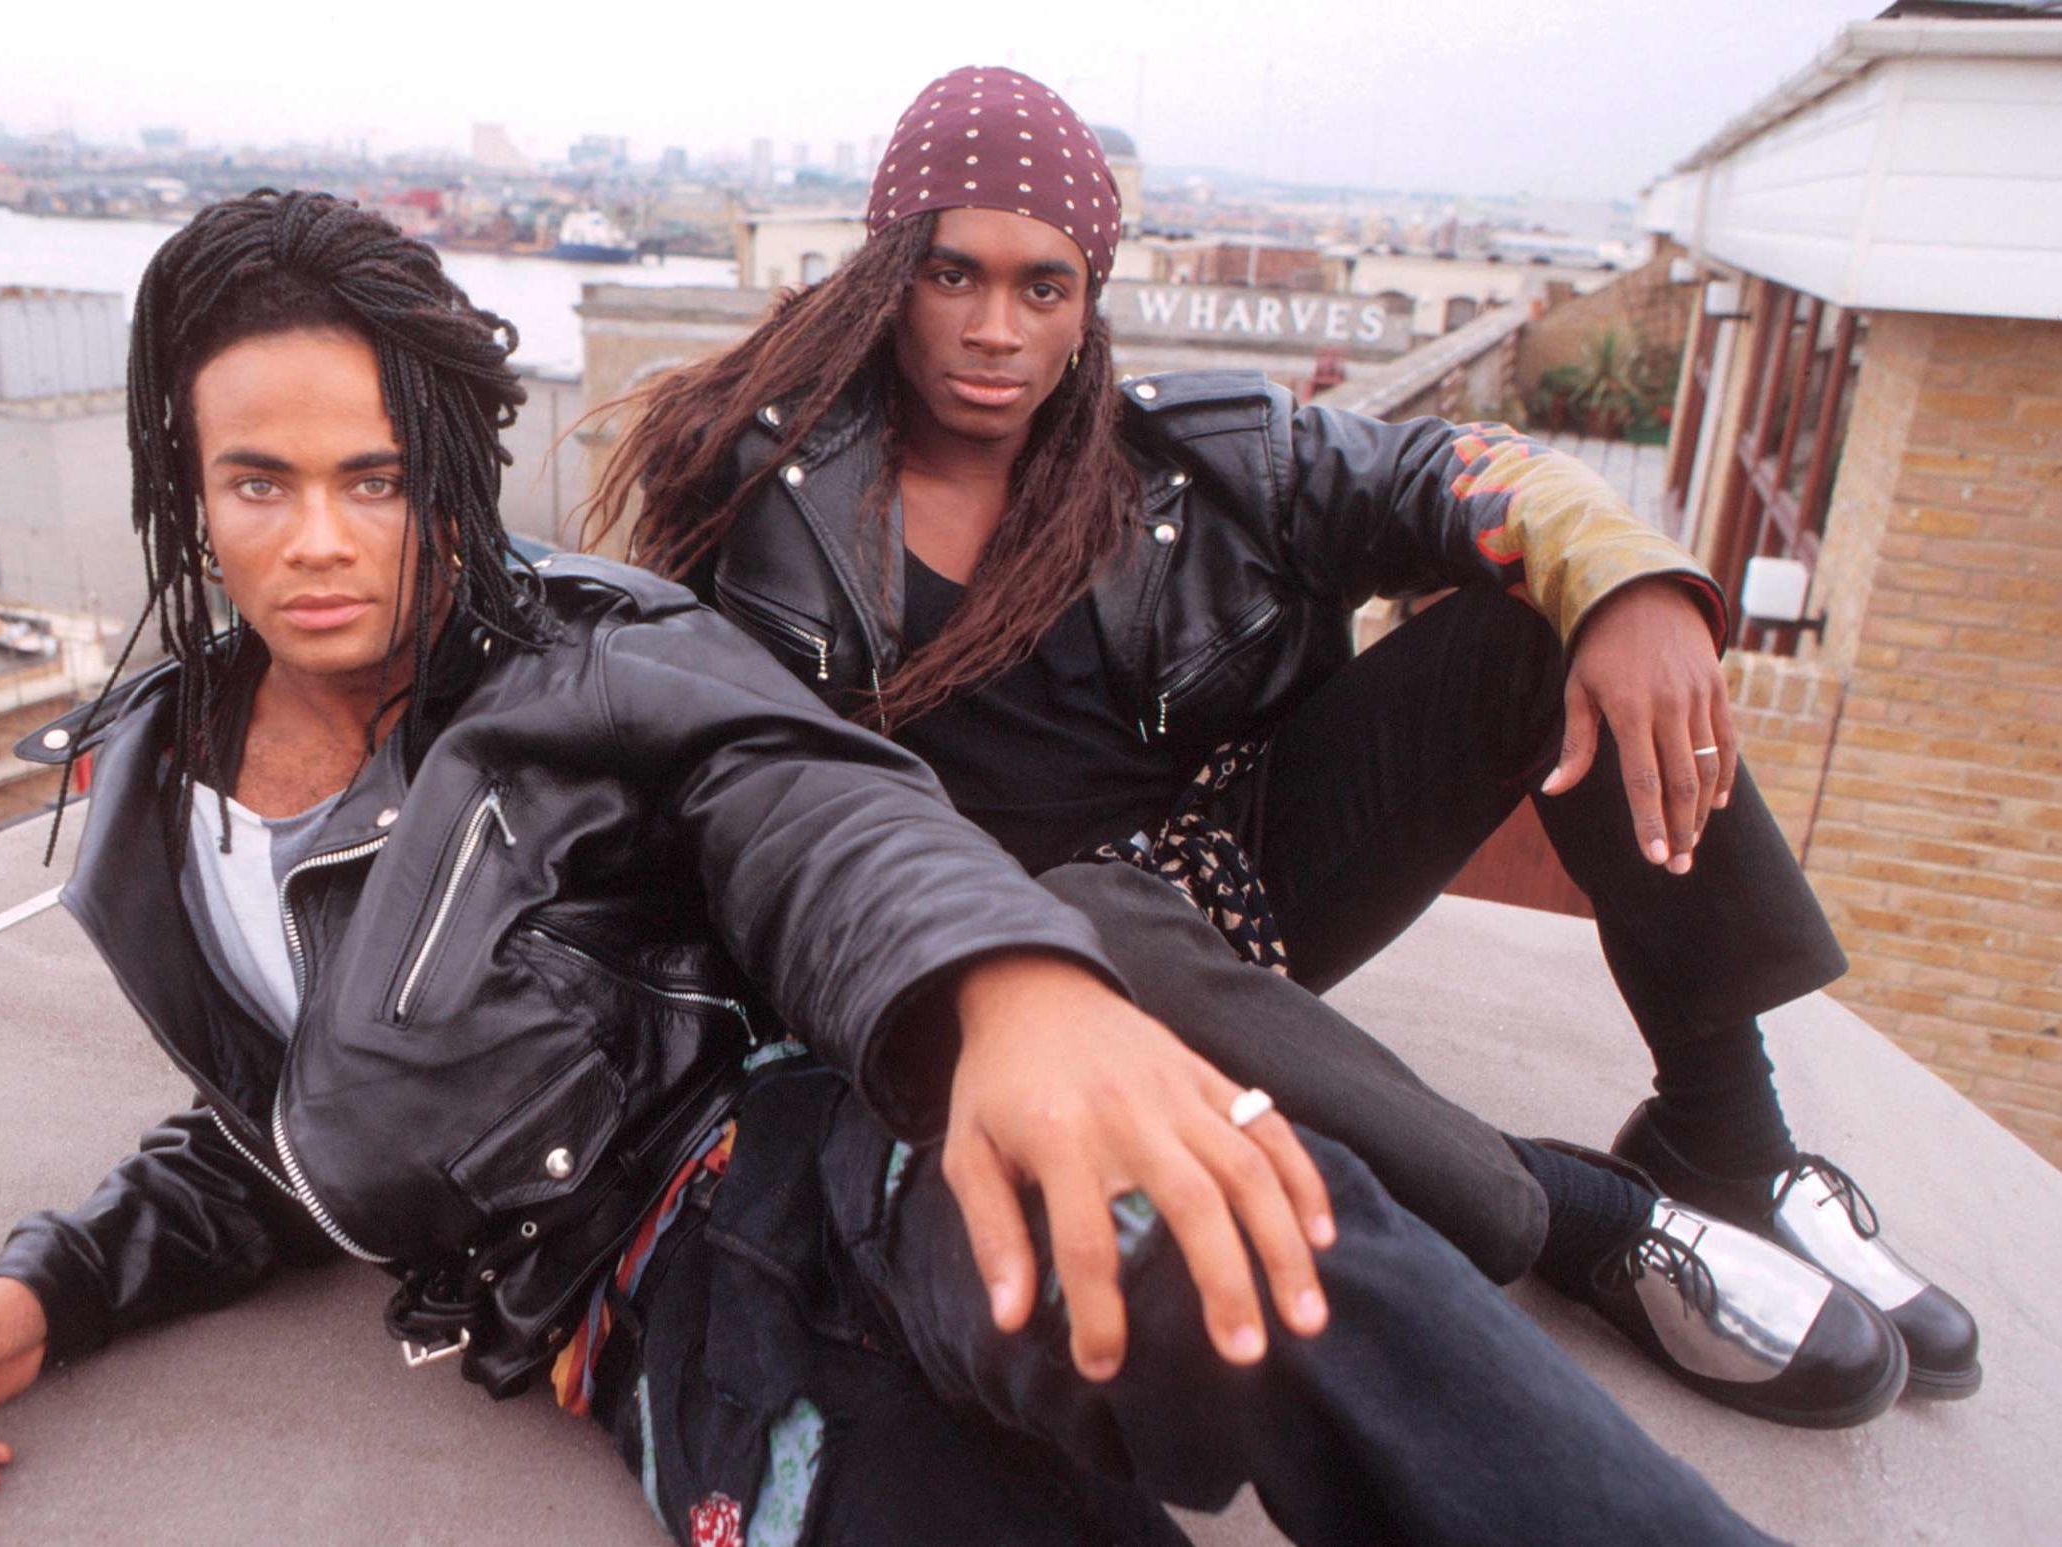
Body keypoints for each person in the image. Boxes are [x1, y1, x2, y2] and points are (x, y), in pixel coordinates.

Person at [0, 191, 1778, 1546]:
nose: (321, 541)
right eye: (260, 482)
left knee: (1232, 1232)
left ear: (446, 474)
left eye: (378, 478)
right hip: (658, 1343)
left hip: (834, 1141)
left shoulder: (583, 653)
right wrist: (52, 1288)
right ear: (186, 491)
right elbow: (291, 1110)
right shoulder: (144, 805)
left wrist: (1004, 990)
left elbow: (803, 799)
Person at [588, 64, 1981, 1427]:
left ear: (1089, 301)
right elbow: (690, 760)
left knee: (1544, 636)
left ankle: (1727, 1137)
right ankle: (1578, 1216)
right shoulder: (762, 488)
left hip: (1220, 895)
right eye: (954, 275)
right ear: (890, 275)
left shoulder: (1205, 463)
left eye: (1043, 286)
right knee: (1082, 917)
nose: (996, 329)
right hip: (941, 966)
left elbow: (1450, 472)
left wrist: (1628, 585)